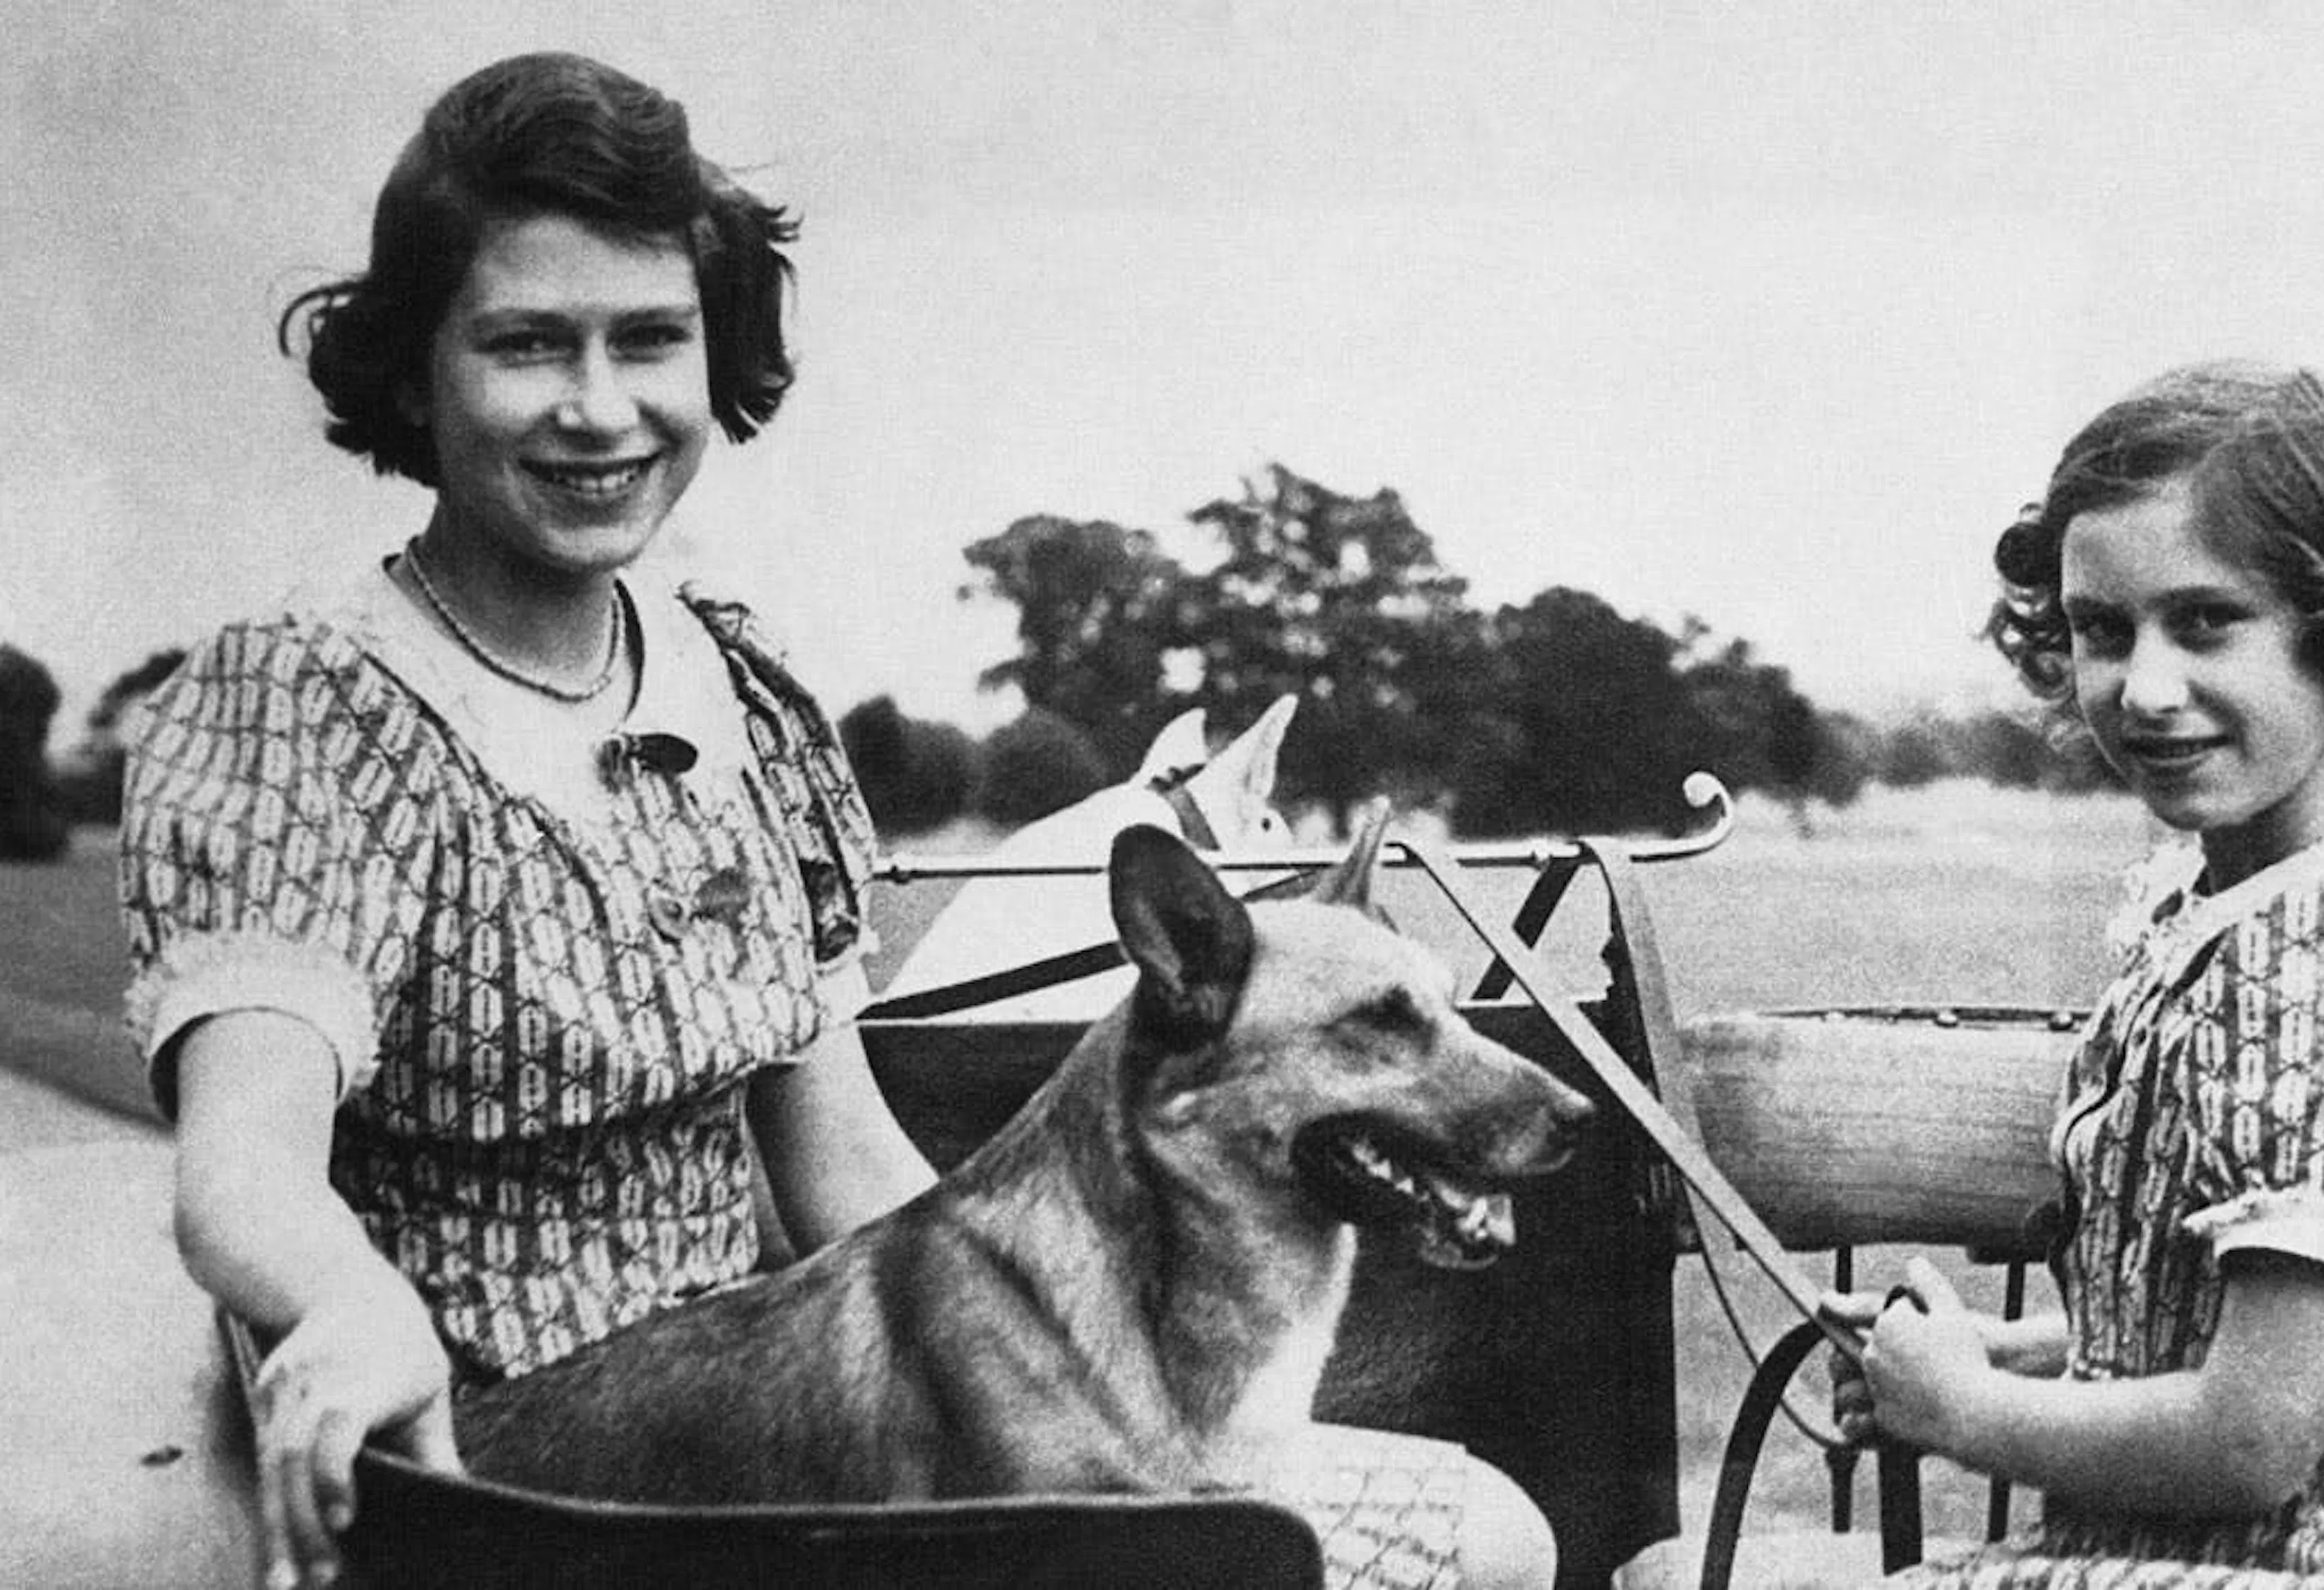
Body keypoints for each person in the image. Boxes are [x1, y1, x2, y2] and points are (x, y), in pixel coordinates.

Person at [121, 52, 1549, 1590]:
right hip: (491, 1491)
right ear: (416, 370)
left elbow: (840, 1162)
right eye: (528, 344)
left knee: (1484, 1540)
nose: (600, 409)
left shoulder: (742, 697)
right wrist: (350, 1306)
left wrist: (1089, 1367)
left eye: (650, 340)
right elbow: (242, 1165)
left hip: (774, 1452)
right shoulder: (303, 706)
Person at [1826, 361, 2324, 1588]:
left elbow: (2253, 1439)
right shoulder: (2220, 898)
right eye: (2104, 631)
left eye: (2206, 622)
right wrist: (1996, 1356)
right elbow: (2204, 1335)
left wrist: (1963, 1417)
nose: (2144, 689)